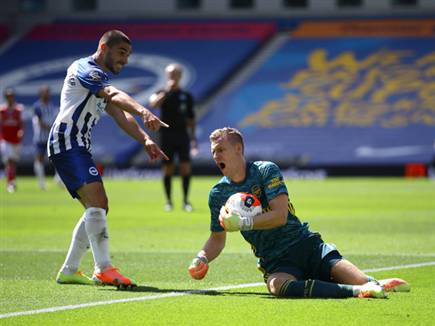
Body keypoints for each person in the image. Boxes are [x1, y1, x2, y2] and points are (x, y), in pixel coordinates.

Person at [188, 127, 410, 299]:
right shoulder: (218, 193)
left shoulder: (266, 170)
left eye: (221, 150)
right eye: (214, 152)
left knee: (365, 281)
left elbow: (280, 216)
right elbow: (217, 239)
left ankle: (373, 283)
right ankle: (354, 291)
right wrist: (202, 257)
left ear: (238, 149)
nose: (216, 156)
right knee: (277, 287)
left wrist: (243, 223)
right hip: (275, 260)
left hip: (306, 246)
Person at [50, 30, 169, 289]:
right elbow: (115, 97)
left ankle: (70, 269)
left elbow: (120, 115)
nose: (125, 60)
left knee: (98, 207)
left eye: (128, 55)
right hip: (67, 141)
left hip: (77, 144)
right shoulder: (85, 68)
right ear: (104, 48)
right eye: (121, 53)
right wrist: (144, 110)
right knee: (98, 203)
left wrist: (146, 140)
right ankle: (103, 269)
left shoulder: (99, 81)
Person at [149, 63, 197, 212]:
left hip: (182, 136)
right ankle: (169, 201)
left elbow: (191, 119)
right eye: (171, 74)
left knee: (185, 168)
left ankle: (185, 201)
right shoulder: (161, 92)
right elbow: (153, 104)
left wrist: (193, 139)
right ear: (167, 75)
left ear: (180, 76)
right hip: (166, 136)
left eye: (176, 74)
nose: (173, 77)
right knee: (168, 169)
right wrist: (167, 92)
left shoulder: (186, 96)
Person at [32, 85, 58, 190]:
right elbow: (40, 122)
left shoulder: (52, 106)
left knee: (58, 157)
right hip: (41, 137)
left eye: (48, 92)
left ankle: (59, 178)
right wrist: (51, 128)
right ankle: (41, 182)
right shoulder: (37, 106)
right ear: (41, 93)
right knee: (39, 159)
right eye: (46, 92)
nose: (48, 94)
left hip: (52, 138)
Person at [0, 88, 24, 193]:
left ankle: (12, 180)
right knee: (9, 161)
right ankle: (10, 183)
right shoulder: (2, 109)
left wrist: (21, 131)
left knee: (13, 162)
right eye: (8, 96)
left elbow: (21, 123)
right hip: (5, 139)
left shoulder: (18, 109)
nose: (10, 98)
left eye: (11, 96)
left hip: (16, 139)